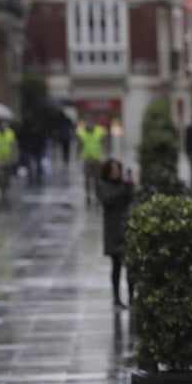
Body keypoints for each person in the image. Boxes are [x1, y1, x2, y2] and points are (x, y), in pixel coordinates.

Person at [96, 159, 135, 309]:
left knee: (130, 265)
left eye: (118, 169)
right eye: (113, 170)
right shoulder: (103, 185)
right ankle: (117, 298)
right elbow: (107, 200)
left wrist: (130, 188)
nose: (116, 173)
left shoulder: (123, 185)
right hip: (113, 231)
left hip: (126, 228)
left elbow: (131, 200)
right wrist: (124, 189)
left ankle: (131, 296)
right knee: (116, 265)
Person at [77, 118, 108, 205]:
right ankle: (88, 196)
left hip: (96, 159)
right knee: (87, 179)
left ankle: (97, 195)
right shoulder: (83, 134)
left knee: (97, 179)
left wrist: (105, 155)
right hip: (87, 159)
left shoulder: (99, 131)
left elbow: (105, 142)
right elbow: (80, 145)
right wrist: (78, 156)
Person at [0, 120, 17, 196]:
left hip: (8, 159)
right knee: (0, 176)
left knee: (7, 176)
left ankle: (5, 187)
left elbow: (14, 146)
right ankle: (1, 189)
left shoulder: (10, 133)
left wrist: (14, 156)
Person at [18, 116, 48, 186]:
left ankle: (35, 177)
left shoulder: (36, 129)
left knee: (35, 164)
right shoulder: (28, 129)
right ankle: (33, 177)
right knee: (33, 164)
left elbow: (42, 138)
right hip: (31, 149)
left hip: (34, 149)